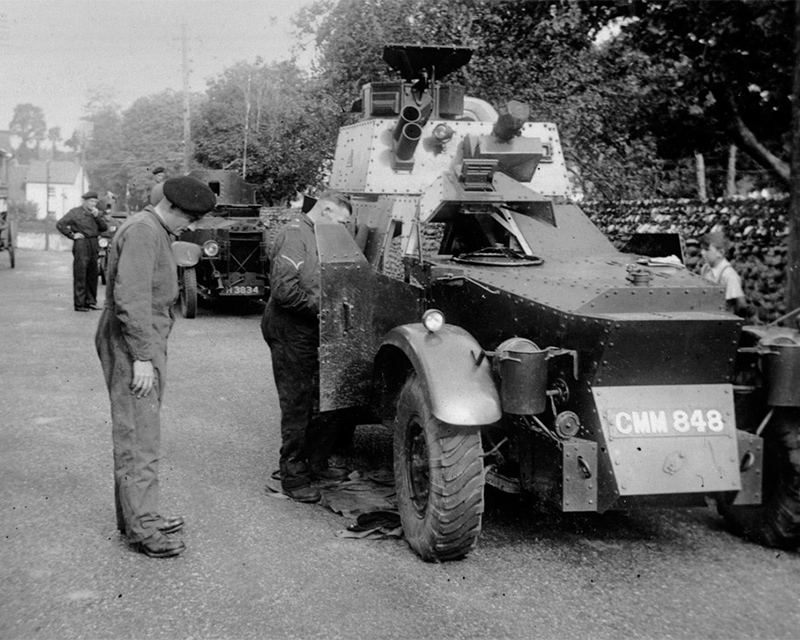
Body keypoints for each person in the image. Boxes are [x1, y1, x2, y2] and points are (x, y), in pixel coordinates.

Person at [96, 175, 216, 558]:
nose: (192, 227)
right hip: (135, 338)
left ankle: (137, 515)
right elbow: (130, 298)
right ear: (174, 208)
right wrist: (142, 357)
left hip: (142, 334)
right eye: (191, 219)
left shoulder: (151, 227)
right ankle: (143, 528)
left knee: (139, 429)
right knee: (139, 434)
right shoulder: (146, 232)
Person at [261, 191, 353, 503]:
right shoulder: (294, 235)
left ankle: (317, 463)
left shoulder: (319, 234)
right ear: (326, 210)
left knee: (325, 400)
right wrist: (323, 309)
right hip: (291, 329)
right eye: (342, 221)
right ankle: (293, 476)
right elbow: (285, 292)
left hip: (315, 328)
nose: (343, 228)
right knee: (297, 403)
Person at [56, 191, 109, 312]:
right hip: (82, 243)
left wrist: (97, 216)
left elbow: (104, 228)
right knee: (81, 273)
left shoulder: (95, 213)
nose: (93, 204)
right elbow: (60, 224)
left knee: (93, 273)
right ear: (84, 201)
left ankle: (91, 302)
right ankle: (80, 304)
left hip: (93, 243)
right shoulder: (74, 212)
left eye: (95, 201)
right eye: (91, 201)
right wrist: (72, 235)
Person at [699, 231, 752, 318]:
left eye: (706, 249)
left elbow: (741, 305)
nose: (702, 253)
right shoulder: (705, 269)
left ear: (720, 253)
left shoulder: (729, 275)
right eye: (702, 249)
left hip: (722, 321)